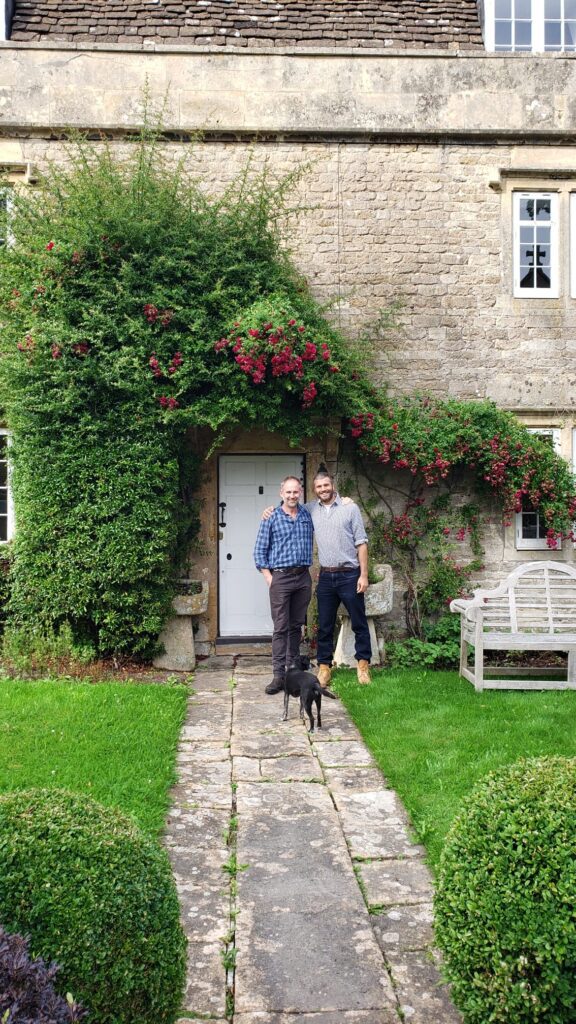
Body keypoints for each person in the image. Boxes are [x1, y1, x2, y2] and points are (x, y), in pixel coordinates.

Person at [262, 468, 372, 687]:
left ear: (333, 485)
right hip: (326, 577)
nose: (323, 489)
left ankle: (363, 666)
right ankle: (324, 667)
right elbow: (288, 505)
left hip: (350, 575)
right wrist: (269, 510)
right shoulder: (310, 510)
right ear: (313, 491)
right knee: (324, 625)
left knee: (359, 622)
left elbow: (362, 543)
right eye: (319, 487)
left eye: (326, 485)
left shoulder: (350, 508)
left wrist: (364, 575)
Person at [253, 475, 313, 695]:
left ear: (301, 492)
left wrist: (345, 501)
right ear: (281, 494)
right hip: (281, 577)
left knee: (296, 626)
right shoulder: (271, 517)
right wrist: (269, 577)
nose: (292, 495)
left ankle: (293, 671)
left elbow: (328, 505)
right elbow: (259, 550)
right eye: (288, 492)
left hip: (303, 577)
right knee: (281, 627)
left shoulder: (308, 514)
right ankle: (278, 675)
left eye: (295, 492)